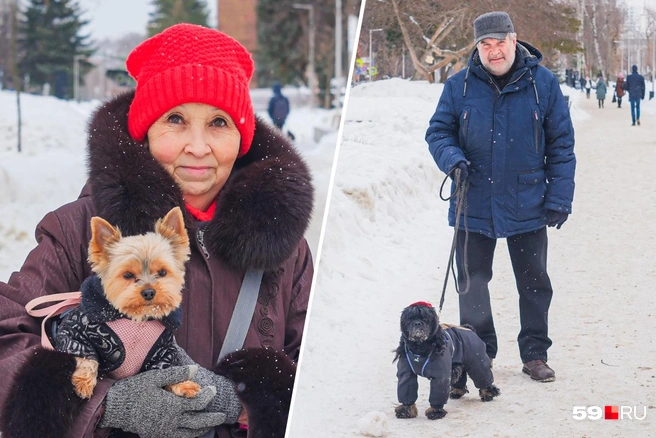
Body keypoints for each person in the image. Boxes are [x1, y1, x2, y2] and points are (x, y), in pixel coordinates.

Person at [0, 23, 314, 438]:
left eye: (218, 122)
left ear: (242, 136)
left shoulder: (286, 248)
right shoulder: (77, 229)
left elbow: (317, 373)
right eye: (176, 119)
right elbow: (7, 340)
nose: (198, 147)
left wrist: (252, 402)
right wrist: (106, 406)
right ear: (144, 129)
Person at [425, 11, 576, 384]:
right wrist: (452, 159)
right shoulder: (458, 86)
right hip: (472, 199)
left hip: (528, 200)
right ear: (477, 48)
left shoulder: (543, 84)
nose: (494, 52)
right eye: (485, 45)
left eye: (500, 43)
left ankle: (535, 353)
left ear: (514, 39)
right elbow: (438, 132)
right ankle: (478, 352)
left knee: (534, 281)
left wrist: (559, 196)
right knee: (472, 281)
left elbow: (561, 144)